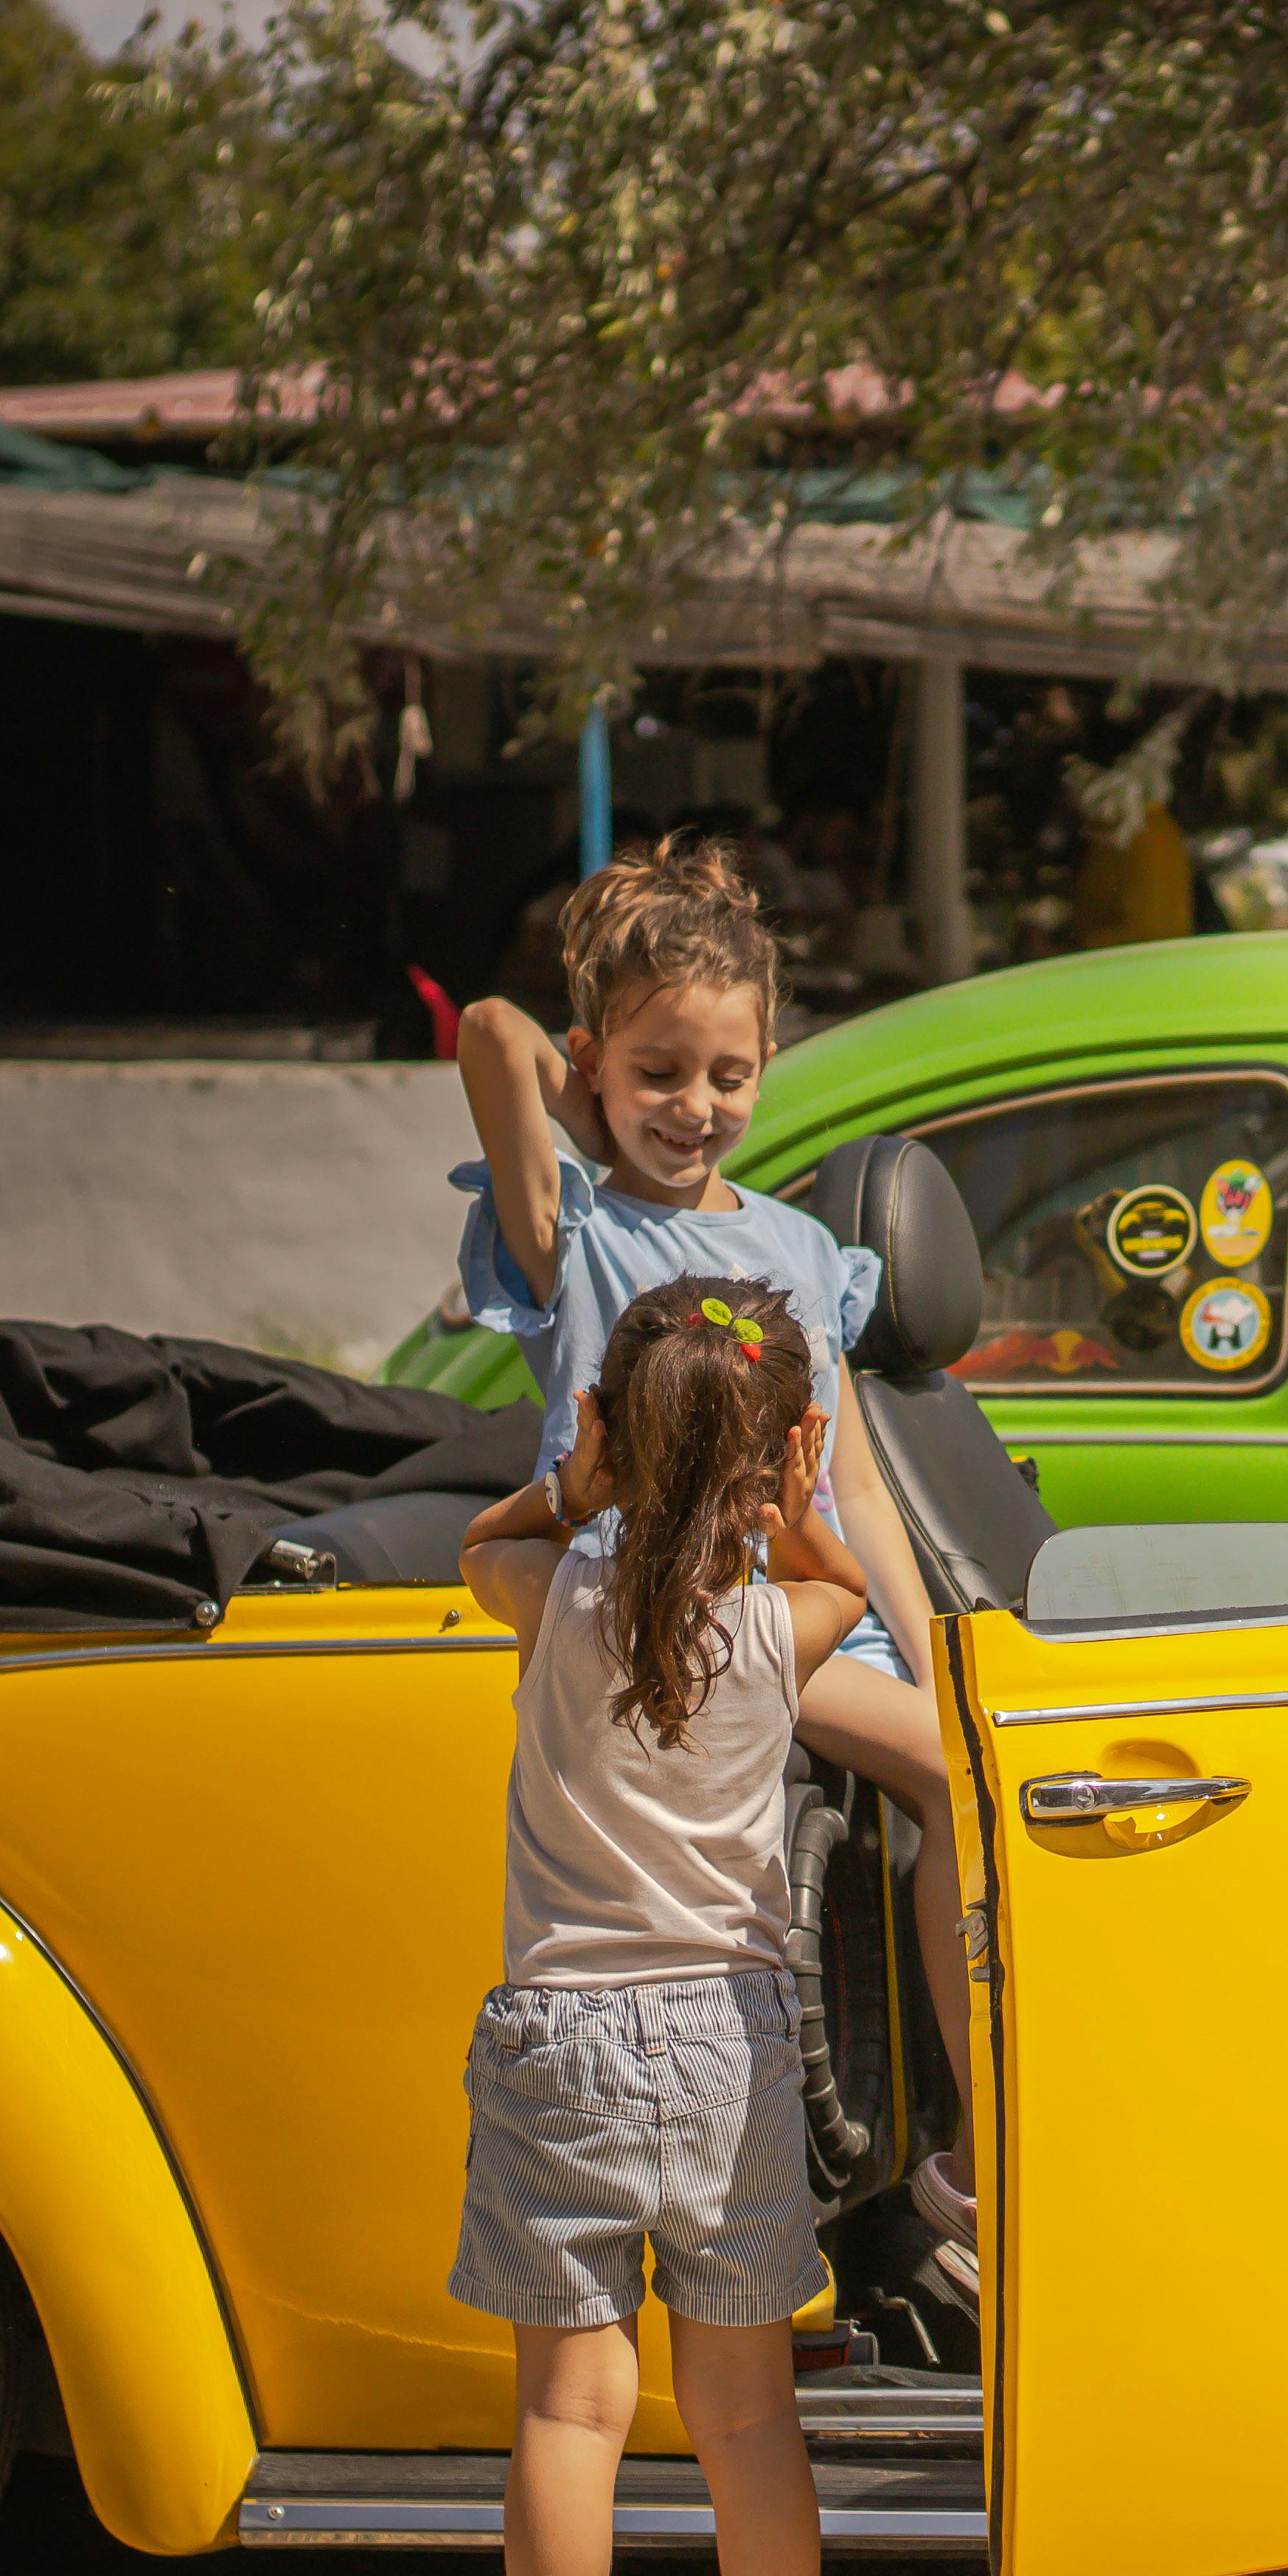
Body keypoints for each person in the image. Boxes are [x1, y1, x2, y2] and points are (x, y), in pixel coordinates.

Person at [451, 841, 986, 2302]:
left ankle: (974, 2143)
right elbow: (483, 1035)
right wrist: (580, 1104)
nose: (697, 1106)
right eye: (660, 1069)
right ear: (596, 1064)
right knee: (952, 1775)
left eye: (729, 1071)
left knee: (979, 1760)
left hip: (796, 1610)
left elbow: (851, 1483)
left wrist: (942, 1654)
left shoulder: (801, 1248)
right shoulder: (571, 1235)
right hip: (661, 1612)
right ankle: (980, 2166)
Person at [451, 1280, 873, 2576]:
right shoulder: (785, 1625)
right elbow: (840, 1569)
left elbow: (482, 1541)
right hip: (730, 2043)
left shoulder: (547, 1593)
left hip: (559, 2037)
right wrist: (801, 1487)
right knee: (749, 2423)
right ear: (785, 1452)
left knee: (572, 2415)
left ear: (608, 1433)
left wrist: (581, 1479)